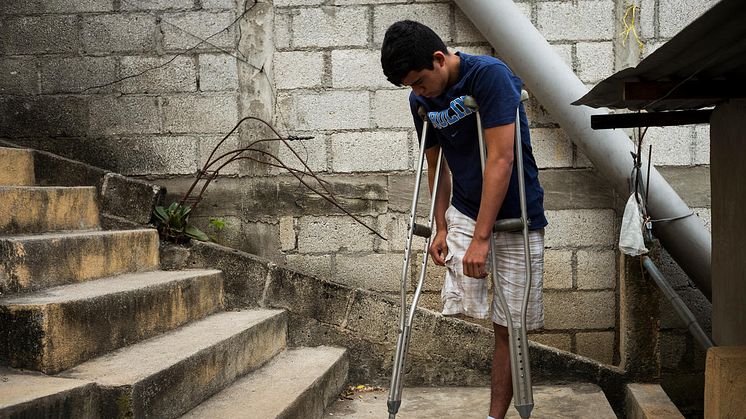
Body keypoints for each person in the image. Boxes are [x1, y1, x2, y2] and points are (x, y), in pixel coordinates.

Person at [381, 20, 548, 419]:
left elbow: (502, 158)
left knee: (510, 326)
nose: (417, 91)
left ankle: (497, 417)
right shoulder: (421, 101)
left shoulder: (489, 76)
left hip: (516, 215)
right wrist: (440, 225)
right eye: (410, 87)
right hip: (465, 211)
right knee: (463, 307)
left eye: (420, 81)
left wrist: (481, 238)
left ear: (440, 59)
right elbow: (435, 165)